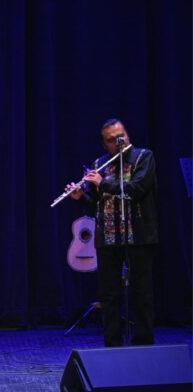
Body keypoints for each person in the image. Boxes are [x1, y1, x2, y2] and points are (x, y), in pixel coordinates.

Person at [66, 118, 158, 347]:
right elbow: (98, 204)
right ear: (104, 144)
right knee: (109, 296)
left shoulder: (143, 157)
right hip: (108, 237)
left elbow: (136, 190)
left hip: (137, 236)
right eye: (112, 140)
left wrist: (102, 183)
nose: (119, 142)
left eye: (122, 136)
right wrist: (81, 197)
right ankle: (112, 345)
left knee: (141, 293)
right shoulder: (100, 163)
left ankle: (144, 344)